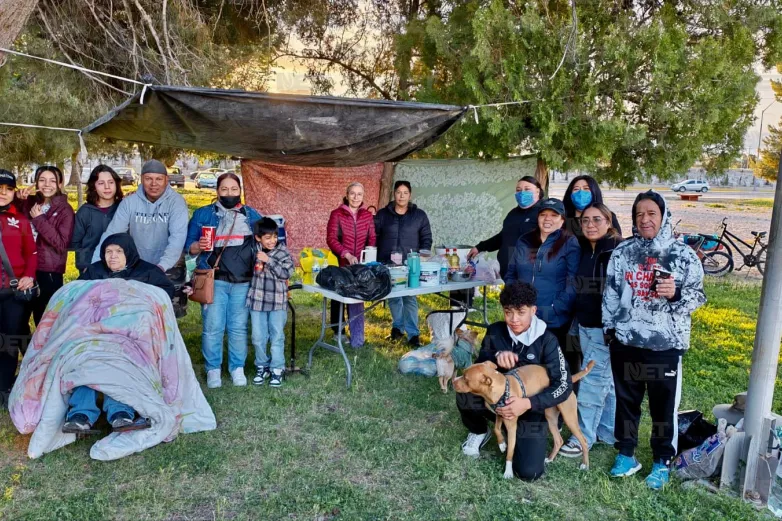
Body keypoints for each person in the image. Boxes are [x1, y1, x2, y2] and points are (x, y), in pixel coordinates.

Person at [603, 190, 705, 490]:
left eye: (651, 213)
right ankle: (626, 454)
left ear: (664, 216)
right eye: (639, 214)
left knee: (662, 407)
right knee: (626, 402)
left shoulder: (682, 254)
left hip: (665, 345)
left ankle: (662, 461)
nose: (645, 219)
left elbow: (698, 297)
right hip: (626, 342)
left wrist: (674, 294)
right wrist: (611, 329)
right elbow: (610, 292)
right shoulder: (623, 252)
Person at [457, 281, 571, 481]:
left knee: (529, 472)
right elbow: (477, 368)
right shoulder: (495, 331)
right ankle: (479, 431)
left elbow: (564, 385)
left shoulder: (548, 340)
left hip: (532, 410)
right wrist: (495, 357)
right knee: (465, 390)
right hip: (497, 403)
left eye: (521, 312)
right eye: (508, 312)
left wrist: (528, 403)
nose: (514, 319)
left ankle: (529, 433)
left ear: (533, 310)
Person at [62, 233, 176, 434]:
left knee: (119, 360)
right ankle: (80, 415)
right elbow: (75, 298)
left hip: (131, 338)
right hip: (94, 334)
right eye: (108, 251)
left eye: (119, 251)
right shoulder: (95, 271)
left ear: (129, 252)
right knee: (85, 358)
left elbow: (163, 297)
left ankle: (120, 413)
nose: (112, 256)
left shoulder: (148, 272)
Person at [186, 173, 262, 389]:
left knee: (238, 327)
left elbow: (268, 241)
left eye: (233, 189)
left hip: (243, 280)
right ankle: (213, 369)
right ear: (217, 191)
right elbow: (188, 246)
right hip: (213, 279)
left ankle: (237, 368)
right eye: (224, 189)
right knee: (213, 326)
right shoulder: (203, 214)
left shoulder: (252, 215)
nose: (229, 193)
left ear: (240, 191)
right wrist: (197, 246)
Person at [559, 203, 622, 459]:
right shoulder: (587, 248)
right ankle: (608, 431)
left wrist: (613, 327)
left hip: (604, 329)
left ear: (609, 222)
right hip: (584, 324)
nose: (590, 225)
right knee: (606, 381)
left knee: (592, 382)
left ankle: (582, 436)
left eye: (597, 220)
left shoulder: (617, 250)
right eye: (585, 221)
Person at [92, 159, 189, 314]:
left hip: (169, 265)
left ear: (166, 180)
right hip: (138, 267)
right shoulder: (130, 202)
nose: (153, 183)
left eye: (158, 179)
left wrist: (161, 267)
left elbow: (177, 238)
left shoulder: (176, 203)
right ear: (142, 179)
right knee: (136, 312)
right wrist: (95, 264)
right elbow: (112, 233)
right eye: (148, 179)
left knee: (168, 311)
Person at [504, 198, 580, 378]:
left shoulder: (569, 242)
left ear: (562, 220)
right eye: (543, 214)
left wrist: (555, 309)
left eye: (554, 215)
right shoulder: (525, 240)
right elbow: (511, 273)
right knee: (527, 368)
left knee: (554, 370)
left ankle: (559, 403)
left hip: (553, 318)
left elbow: (573, 282)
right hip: (524, 317)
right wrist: (515, 305)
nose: (548, 219)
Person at [374, 180, 432, 346]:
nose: (401, 196)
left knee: (409, 297)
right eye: (399, 192)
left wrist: (422, 255)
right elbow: (374, 236)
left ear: (410, 195)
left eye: (405, 193)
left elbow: (426, 238)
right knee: (393, 297)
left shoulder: (419, 215)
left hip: (410, 263)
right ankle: (397, 329)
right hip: (387, 262)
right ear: (394, 194)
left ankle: (413, 334)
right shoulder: (383, 215)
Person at [14, 166, 75, 325]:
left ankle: (43, 350)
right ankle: (26, 349)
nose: (47, 184)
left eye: (52, 181)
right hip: (23, 269)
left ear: (60, 184)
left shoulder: (65, 210)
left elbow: (61, 244)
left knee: (44, 323)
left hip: (48, 273)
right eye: (42, 180)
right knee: (17, 321)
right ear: (36, 183)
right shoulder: (29, 202)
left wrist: (39, 219)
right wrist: (17, 199)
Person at [0, 170, 36, 408]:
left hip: (12, 291)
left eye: (8, 189)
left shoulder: (20, 219)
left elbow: (32, 253)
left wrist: (29, 276)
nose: (3, 193)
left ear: (14, 192)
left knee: (10, 341)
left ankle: (4, 388)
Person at [325, 182, 376, 348]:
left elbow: (372, 238)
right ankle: (338, 331)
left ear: (363, 196)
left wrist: (367, 256)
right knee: (339, 297)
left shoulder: (367, 216)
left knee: (356, 299)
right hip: (341, 263)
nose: (356, 197)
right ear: (347, 195)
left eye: (359, 194)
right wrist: (346, 254)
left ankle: (357, 339)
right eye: (352, 193)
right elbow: (331, 239)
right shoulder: (337, 214)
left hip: (360, 265)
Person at [247, 218, 295, 387]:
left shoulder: (282, 252)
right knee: (258, 337)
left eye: (275, 236)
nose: (272, 240)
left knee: (276, 336)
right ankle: (262, 366)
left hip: (277, 302)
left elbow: (287, 273)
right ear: (258, 238)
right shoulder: (253, 251)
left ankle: (277, 369)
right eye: (267, 237)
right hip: (257, 302)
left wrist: (269, 260)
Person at [468, 176, 543, 279]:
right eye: (518, 190)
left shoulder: (544, 213)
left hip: (531, 275)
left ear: (538, 191)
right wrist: (480, 247)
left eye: (527, 189)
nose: (522, 193)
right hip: (509, 275)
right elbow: (503, 237)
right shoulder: (513, 214)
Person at [71, 165, 124, 274]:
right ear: (94, 186)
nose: (107, 187)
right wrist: (84, 266)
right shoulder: (85, 212)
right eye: (101, 183)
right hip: (92, 269)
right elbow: (76, 243)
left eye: (111, 182)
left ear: (116, 184)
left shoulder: (124, 209)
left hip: (120, 270)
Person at [562, 175, 621, 240]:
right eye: (576, 189)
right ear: (570, 194)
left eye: (586, 189)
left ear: (594, 192)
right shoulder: (562, 218)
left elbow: (618, 242)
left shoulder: (608, 216)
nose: (581, 193)